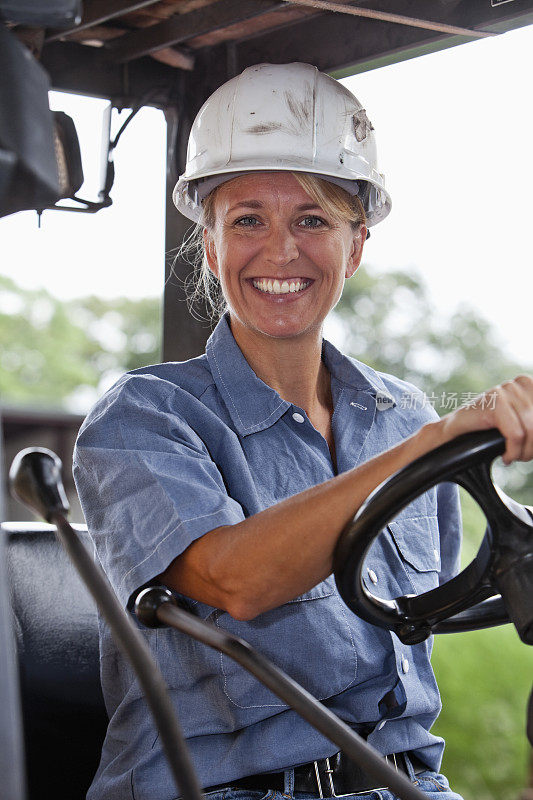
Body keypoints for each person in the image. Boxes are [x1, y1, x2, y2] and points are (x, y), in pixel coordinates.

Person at [73, 63, 533, 800]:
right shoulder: (144, 417)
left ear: (354, 248)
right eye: (247, 219)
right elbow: (238, 581)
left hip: (410, 783)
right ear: (212, 248)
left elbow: (432, 610)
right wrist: (430, 445)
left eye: (312, 220)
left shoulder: (404, 414)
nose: (281, 251)